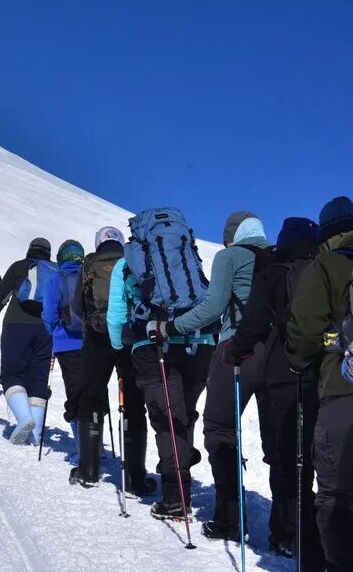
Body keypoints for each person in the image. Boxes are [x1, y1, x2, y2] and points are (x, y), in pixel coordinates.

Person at [161, 212, 272, 540]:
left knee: (220, 429)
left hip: (237, 350)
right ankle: (288, 531)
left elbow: (212, 308)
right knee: (279, 441)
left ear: (232, 236)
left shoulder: (230, 256)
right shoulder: (278, 258)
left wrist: (172, 327)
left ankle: (230, 518)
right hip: (279, 355)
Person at [228, 217, 322, 564]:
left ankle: (285, 532)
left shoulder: (273, 271)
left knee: (282, 456)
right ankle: (315, 532)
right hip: (319, 376)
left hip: (280, 374)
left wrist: (236, 350)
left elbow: (252, 321)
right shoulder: (323, 269)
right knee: (311, 456)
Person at [113, 211, 215, 522]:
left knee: (167, 419)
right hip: (200, 343)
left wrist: (121, 348)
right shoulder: (188, 255)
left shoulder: (128, 261)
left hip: (153, 345)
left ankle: (175, 497)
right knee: (183, 414)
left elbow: (117, 313)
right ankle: (182, 465)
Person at [287, 196, 353, 572]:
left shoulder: (325, 265)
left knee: (337, 498)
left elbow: (304, 332)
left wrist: (299, 362)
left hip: (342, 395)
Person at [71, 227, 153, 493]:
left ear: (99, 243)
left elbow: (76, 306)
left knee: (91, 396)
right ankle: (135, 478)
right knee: (133, 401)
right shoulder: (132, 261)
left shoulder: (90, 263)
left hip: (97, 336)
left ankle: (89, 470)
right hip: (129, 336)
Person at [0, 237, 56, 445]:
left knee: (11, 374)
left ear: (30, 250)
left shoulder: (19, 267)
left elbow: (1, 297)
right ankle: (36, 434)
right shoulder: (55, 270)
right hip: (46, 330)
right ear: (48, 253)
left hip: (16, 325)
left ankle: (24, 419)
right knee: (38, 378)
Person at [42, 240, 85, 460]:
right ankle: (94, 444)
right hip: (94, 345)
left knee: (75, 393)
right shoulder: (91, 276)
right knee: (95, 393)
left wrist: (52, 329)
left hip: (66, 344)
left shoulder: (54, 280)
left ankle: (83, 451)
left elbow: (49, 316)